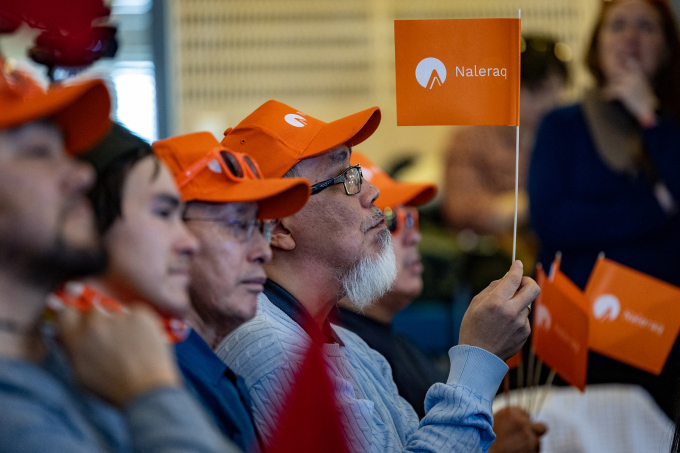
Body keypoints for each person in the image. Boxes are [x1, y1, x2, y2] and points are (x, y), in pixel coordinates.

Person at [215, 100, 540, 452]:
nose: (372, 193)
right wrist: (478, 357)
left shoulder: (349, 344)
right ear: (279, 228)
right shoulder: (272, 350)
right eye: (344, 179)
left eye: (356, 172)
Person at [0, 62, 232, 452]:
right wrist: (151, 389)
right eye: (37, 152)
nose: (82, 175)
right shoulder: (13, 417)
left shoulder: (80, 357)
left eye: (66, 151)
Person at [528, 0, 680, 418]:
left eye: (646, 26)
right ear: (597, 44)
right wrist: (657, 209)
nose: (630, 36)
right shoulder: (563, 125)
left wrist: (650, 116)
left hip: (663, 337)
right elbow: (553, 221)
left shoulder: (671, 126)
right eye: (618, 25)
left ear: (667, 47)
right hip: (581, 335)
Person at [337, 152, 547, 452]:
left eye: (413, 218)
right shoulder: (341, 362)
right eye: (390, 220)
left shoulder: (394, 344)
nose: (414, 237)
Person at [153, 131, 310, 452]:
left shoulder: (204, 366)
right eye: (238, 226)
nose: (262, 251)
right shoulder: (153, 378)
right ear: (166, 235)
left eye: (261, 227)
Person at [443, 35, 568, 237]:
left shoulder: (565, 139)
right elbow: (463, 210)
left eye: (557, 90)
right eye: (538, 90)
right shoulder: (472, 140)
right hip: (495, 247)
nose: (551, 101)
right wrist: (538, 202)